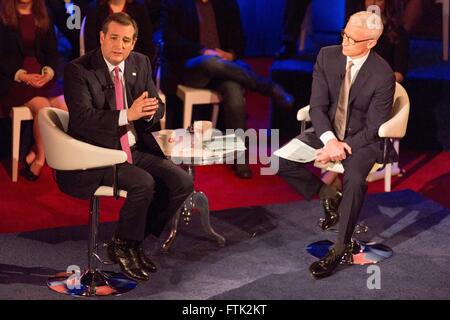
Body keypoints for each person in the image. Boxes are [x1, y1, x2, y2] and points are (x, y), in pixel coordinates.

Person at [57, 12, 194, 281]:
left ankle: (130, 242)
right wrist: (126, 115)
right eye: (114, 38)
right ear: (101, 37)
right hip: (96, 153)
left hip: (132, 147)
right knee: (144, 183)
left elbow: (157, 105)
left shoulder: (140, 62)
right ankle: (124, 245)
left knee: (182, 181)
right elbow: (82, 119)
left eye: (126, 40)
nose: (119, 45)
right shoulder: (79, 69)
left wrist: (149, 113)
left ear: (134, 43)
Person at [276, 11, 395, 279]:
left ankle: (340, 247)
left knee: (354, 178)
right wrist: (330, 140)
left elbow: (374, 127)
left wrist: (342, 147)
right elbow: (317, 106)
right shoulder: (326, 56)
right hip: (326, 131)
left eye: (353, 39)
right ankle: (329, 195)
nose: (345, 42)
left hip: (362, 140)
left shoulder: (382, 74)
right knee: (279, 161)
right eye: (344, 33)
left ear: (371, 42)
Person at [161, 0, 294, 179]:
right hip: (191, 68)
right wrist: (202, 51)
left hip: (223, 71)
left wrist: (231, 55)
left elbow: (239, 41)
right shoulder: (177, 4)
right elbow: (171, 41)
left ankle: (239, 157)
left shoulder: (227, 5)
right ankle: (268, 87)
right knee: (210, 61)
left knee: (234, 92)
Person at [0, 0, 67, 181]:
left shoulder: (44, 15)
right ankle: (39, 159)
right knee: (43, 108)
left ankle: (35, 149)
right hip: (12, 80)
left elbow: (52, 52)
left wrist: (48, 71)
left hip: (40, 77)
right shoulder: (3, 16)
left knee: (64, 106)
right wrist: (22, 76)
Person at [84, 0, 154, 60]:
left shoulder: (139, 8)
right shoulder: (94, 8)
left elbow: (147, 44)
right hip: (101, 65)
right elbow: (90, 45)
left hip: (133, 65)